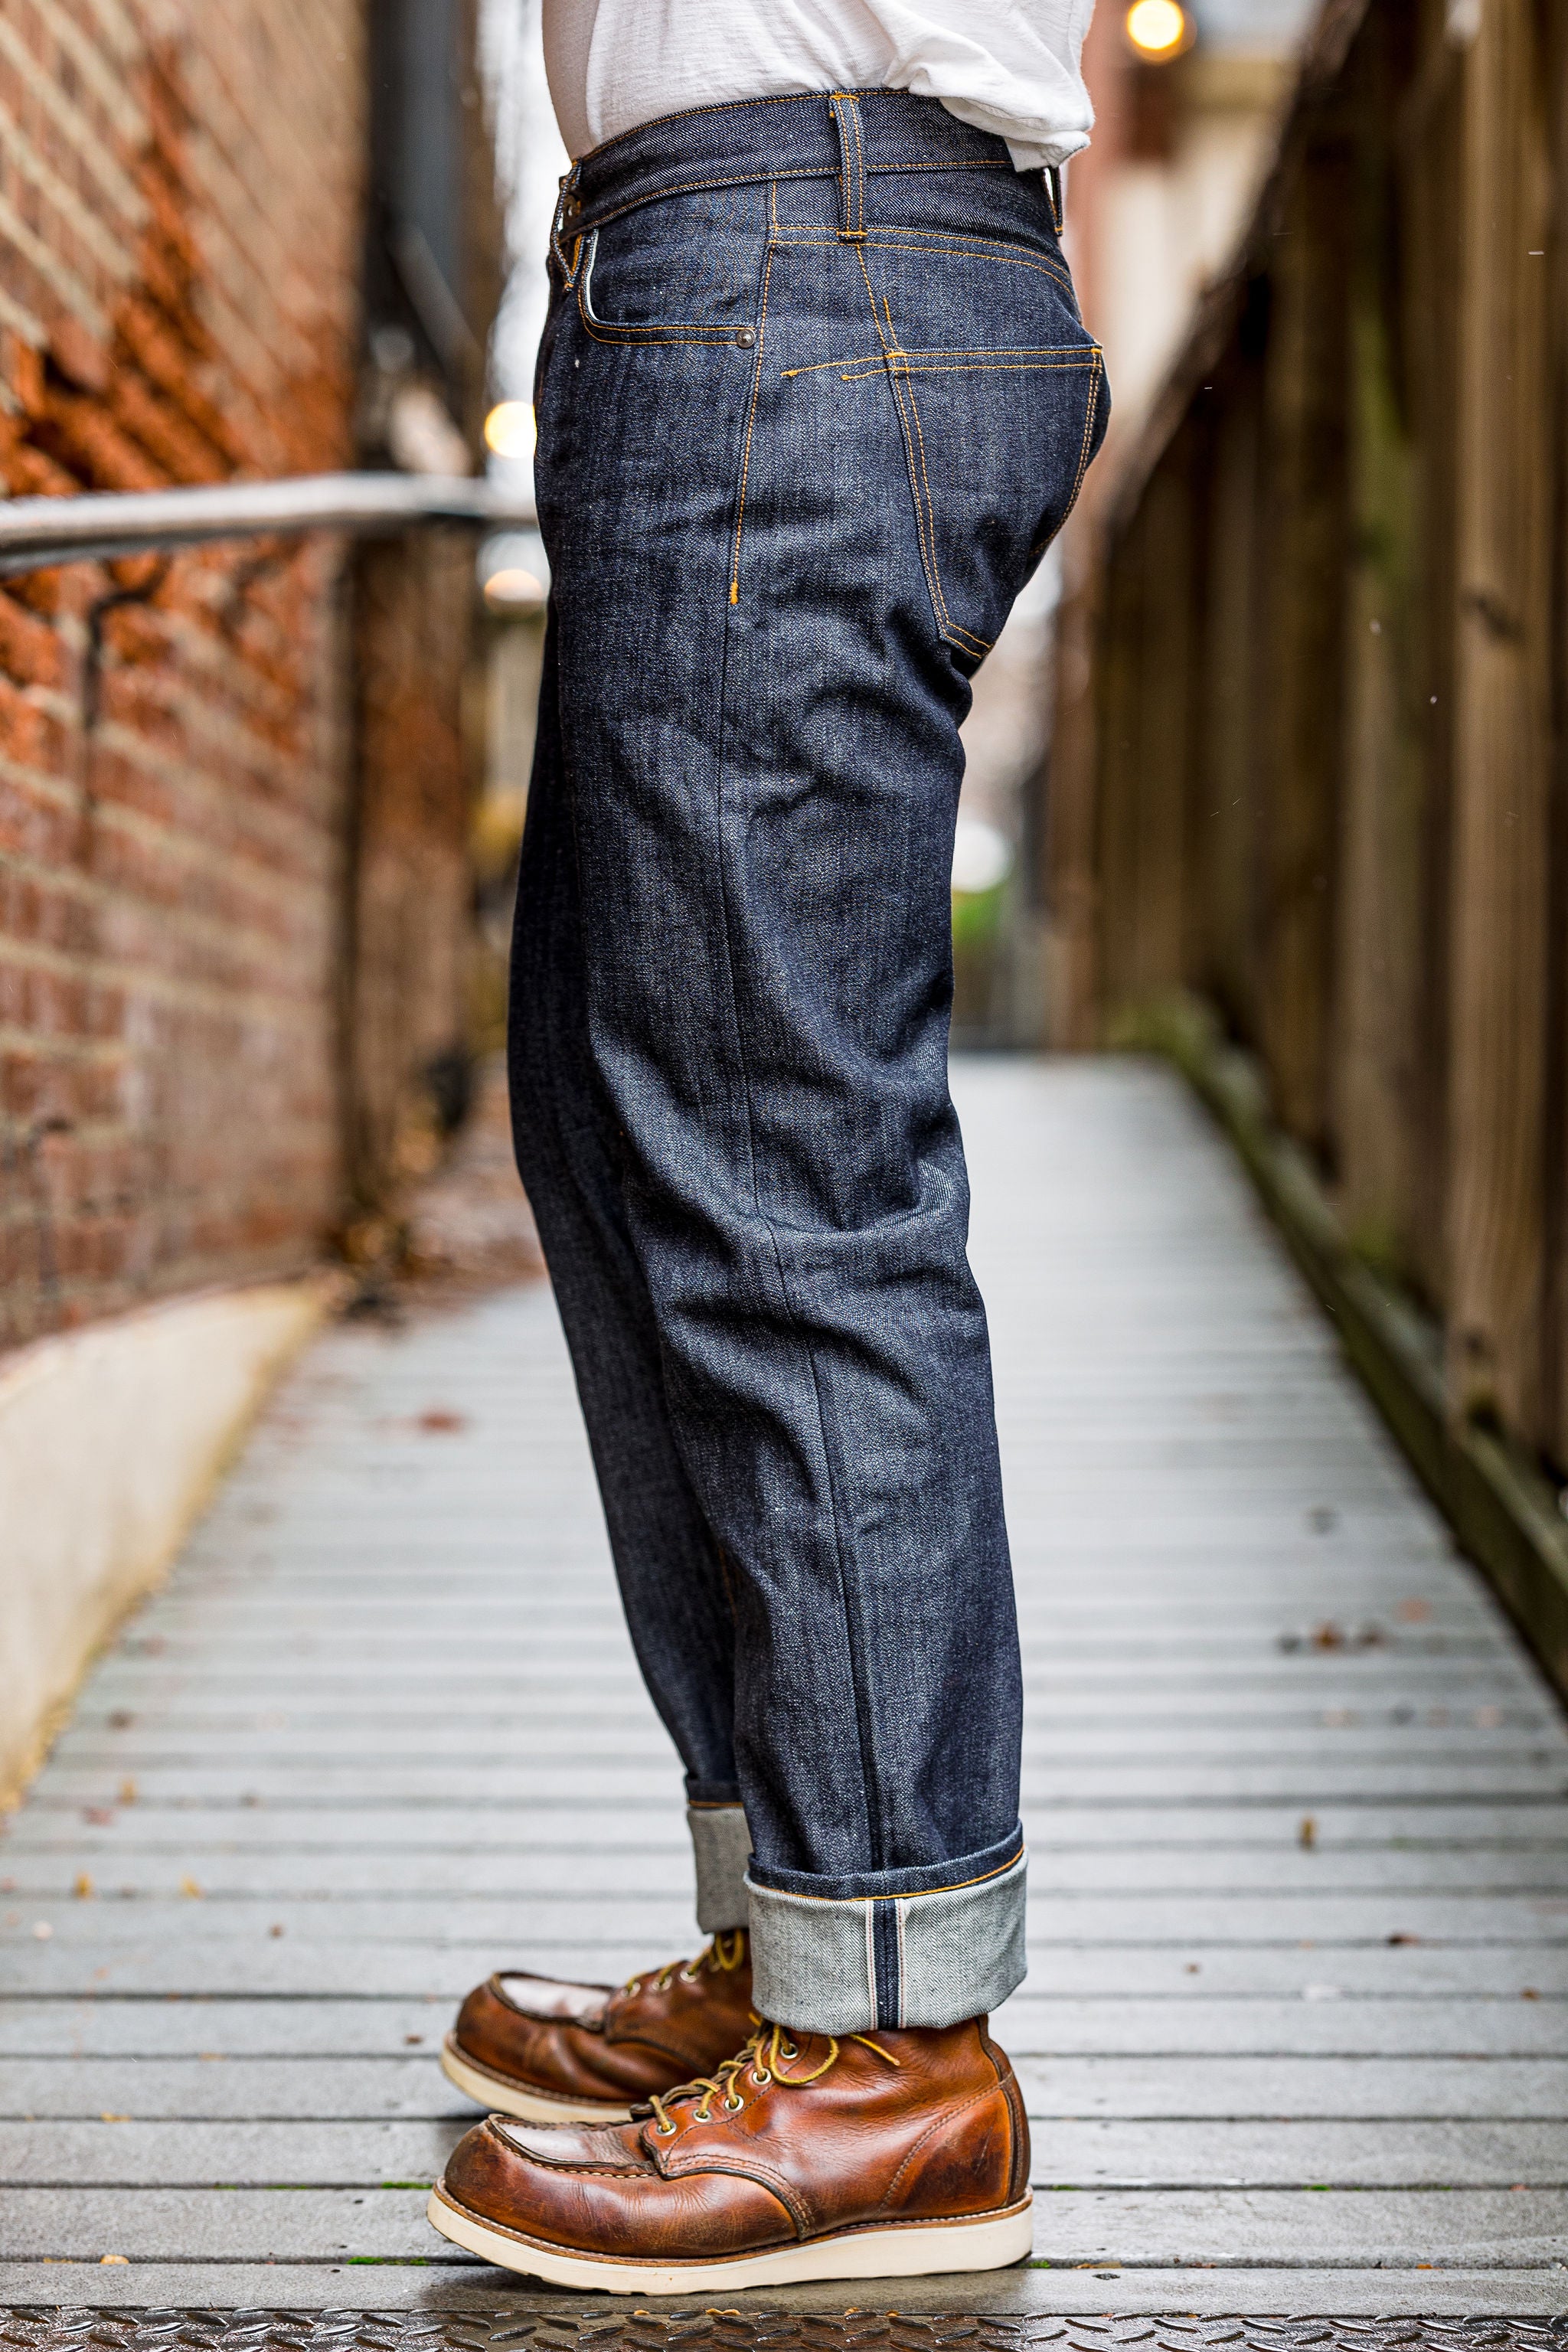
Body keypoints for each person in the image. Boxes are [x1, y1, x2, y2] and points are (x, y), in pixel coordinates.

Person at [428, 0, 1107, 2295]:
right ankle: (807, 1944)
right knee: (631, 1150)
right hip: (730, 277)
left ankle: (900, 2049)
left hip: (803, 275)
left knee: (778, 1178)